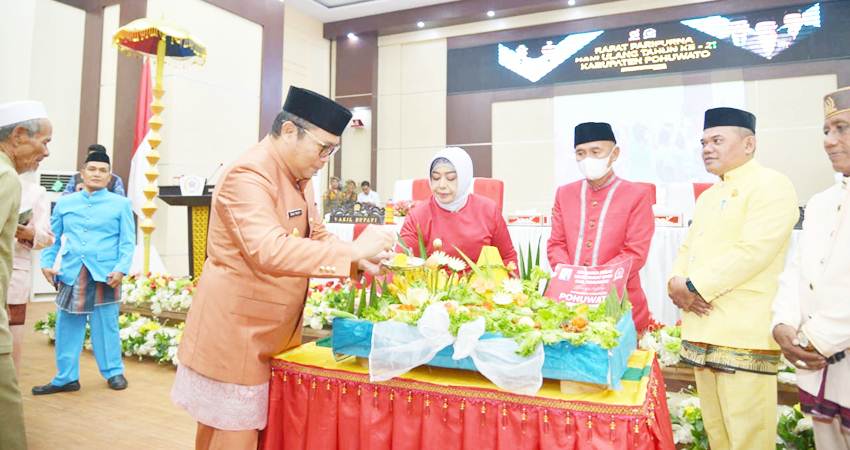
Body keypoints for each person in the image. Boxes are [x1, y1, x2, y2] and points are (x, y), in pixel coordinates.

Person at [172, 86, 395, 449]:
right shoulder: (249, 173)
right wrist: (352, 250)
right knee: (232, 437)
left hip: (269, 335)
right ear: (290, 131)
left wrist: (359, 259)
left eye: (332, 150)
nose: (326, 158)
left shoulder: (298, 176)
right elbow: (268, 249)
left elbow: (317, 234)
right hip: (238, 335)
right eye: (323, 148)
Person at [668, 107, 798, 450]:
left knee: (748, 438)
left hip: (743, 330)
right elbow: (687, 249)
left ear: (749, 144)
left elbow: (753, 251)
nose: (707, 148)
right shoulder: (709, 196)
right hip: (702, 325)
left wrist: (692, 286)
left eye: (717, 140)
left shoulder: (772, 184)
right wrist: (675, 282)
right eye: (704, 142)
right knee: (717, 433)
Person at [771, 88, 850, 449]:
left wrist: (815, 339)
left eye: (842, 128)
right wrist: (783, 325)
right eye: (826, 131)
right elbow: (797, 269)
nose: (830, 141)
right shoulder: (821, 203)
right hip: (818, 367)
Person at [34, 150, 135, 396]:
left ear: (110, 176)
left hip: (105, 272)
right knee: (67, 324)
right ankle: (66, 377)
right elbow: (53, 238)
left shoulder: (121, 204)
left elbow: (127, 242)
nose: (97, 174)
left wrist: (121, 269)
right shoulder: (66, 203)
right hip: (72, 271)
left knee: (106, 324)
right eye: (92, 169)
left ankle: (113, 371)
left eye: (102, 171)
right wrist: (47, 262)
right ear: (82, 173)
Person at [547, 122, 655, 332]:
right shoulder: (564, 193)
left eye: (596, 151)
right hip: (569, 302)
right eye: (581, 153)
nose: (587, 159)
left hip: (620, 304)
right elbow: (556, 244)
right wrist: (572, 279)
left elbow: (636, 252)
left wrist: (596, 281)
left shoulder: (637, 195)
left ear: (614, 154)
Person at [0, 100, 52, 450]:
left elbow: (44, 235)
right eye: (44, 142)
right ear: (19, 135)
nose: (46, 152)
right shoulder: (5, 175)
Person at [400, 147, 517, 266]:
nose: (441, 185)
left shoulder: (488, 210)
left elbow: (507, 258)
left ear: (464, 177)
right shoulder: (417, 216)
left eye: (451, 178)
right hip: (432, 283)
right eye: (435, 178)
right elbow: (402, 262)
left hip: (480, 283)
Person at [8, 171, 54, 374]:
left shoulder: (35, 192)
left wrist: (30, 234)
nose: (45, 153)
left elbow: (47, 238)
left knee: (10, 342)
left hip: (14, 272)